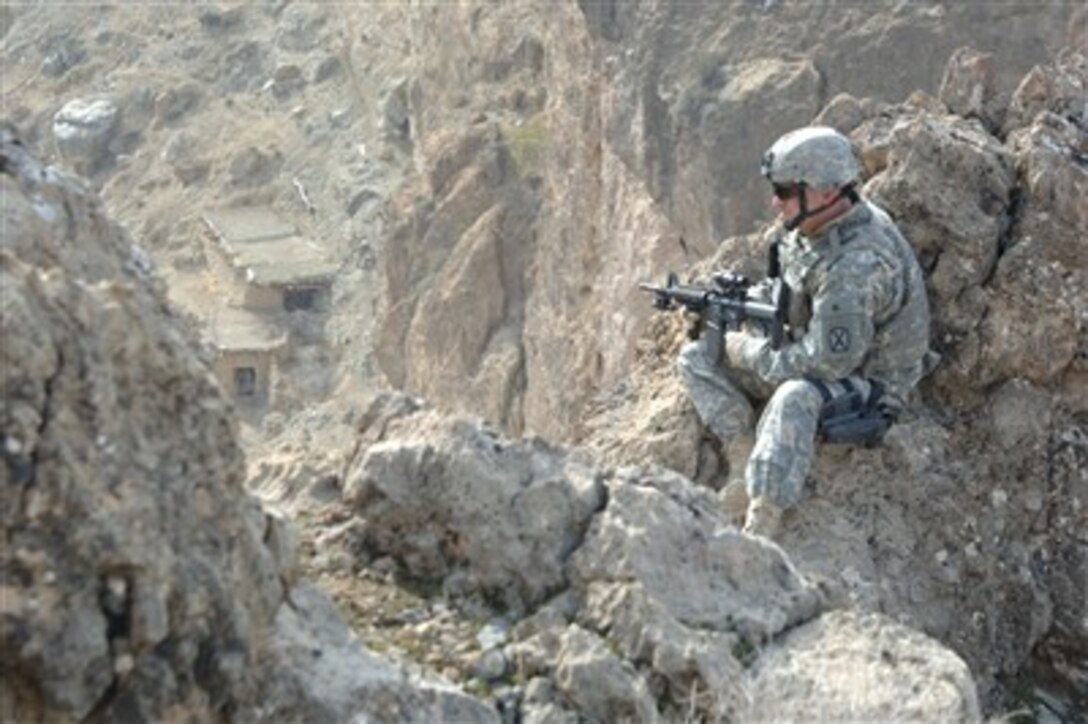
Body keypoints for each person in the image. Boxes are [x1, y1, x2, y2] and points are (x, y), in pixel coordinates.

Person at [677, 126, 931, 539]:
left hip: (870, 381)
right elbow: (788, 290)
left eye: (786, 190)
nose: (775, 201)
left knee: (793, 396)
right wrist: (742, 310)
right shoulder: (812, 227)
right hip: (811, 345)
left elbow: (829, 363)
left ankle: (762, 519)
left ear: (827, 192)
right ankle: (743, 454)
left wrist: (751, 353)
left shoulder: (857, 264)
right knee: (697, 357)